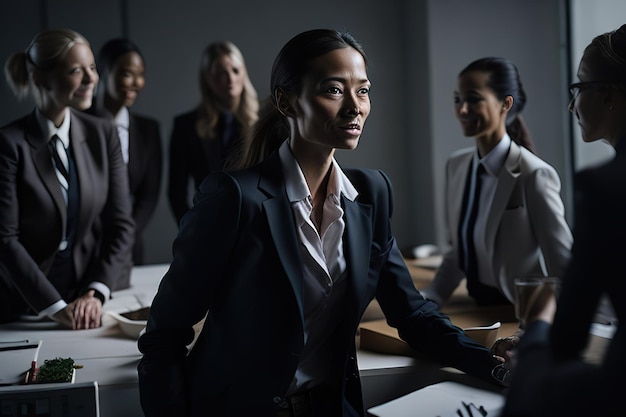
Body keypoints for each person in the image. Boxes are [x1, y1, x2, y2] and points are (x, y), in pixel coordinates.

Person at [137, 29, 507, 417]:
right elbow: (164, 336)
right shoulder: (234, 198)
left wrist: (496, 367)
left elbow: (412, 314)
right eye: (333, 90)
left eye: (363, 91)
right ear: (286, 100)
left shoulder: (371, 195)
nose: (355, 107)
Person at [502, 24, 626, 417]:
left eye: (579, 88)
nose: (572, 106)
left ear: (609, 94)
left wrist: (536, 324)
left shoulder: (606, 188)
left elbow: (566, 337)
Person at [0, 29, 134, 329]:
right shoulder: (9, 145)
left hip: (89, 296)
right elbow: (5, 240)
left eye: (92, 67)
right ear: (38, 77)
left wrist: (95, 292)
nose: (91, 79)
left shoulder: (103, 133)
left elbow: (121, 224)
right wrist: (56, 308)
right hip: (24, 305)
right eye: (76, 70)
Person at [420, 57, 573, 307]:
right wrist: (431, 297)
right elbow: (459, 250)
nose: (463, 110)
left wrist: (545, 327)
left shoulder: (534, 174)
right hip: (474, 307)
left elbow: (562, 266)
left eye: (474, 99)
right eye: (458, 99)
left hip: (519, 313)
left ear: (506, 104)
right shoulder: (456, 166)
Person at [167, 40, 259, 225]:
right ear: (207, 79)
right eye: (221, 73)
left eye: (235, 70)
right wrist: (190, 231)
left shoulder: (263, 121)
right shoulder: (186, 125)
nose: (231, 79)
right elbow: (176, 191)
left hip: (256, 225)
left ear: (244, 73)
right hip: (210, 224)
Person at [90, 38, 162, 265]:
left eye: (141, 74)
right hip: (83, 247)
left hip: (129, 248)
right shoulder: (78, 123)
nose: (136, 82)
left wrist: (125, 237)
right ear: (103, 71)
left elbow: (148, 196)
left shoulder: (148, 130)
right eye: (127, 73)